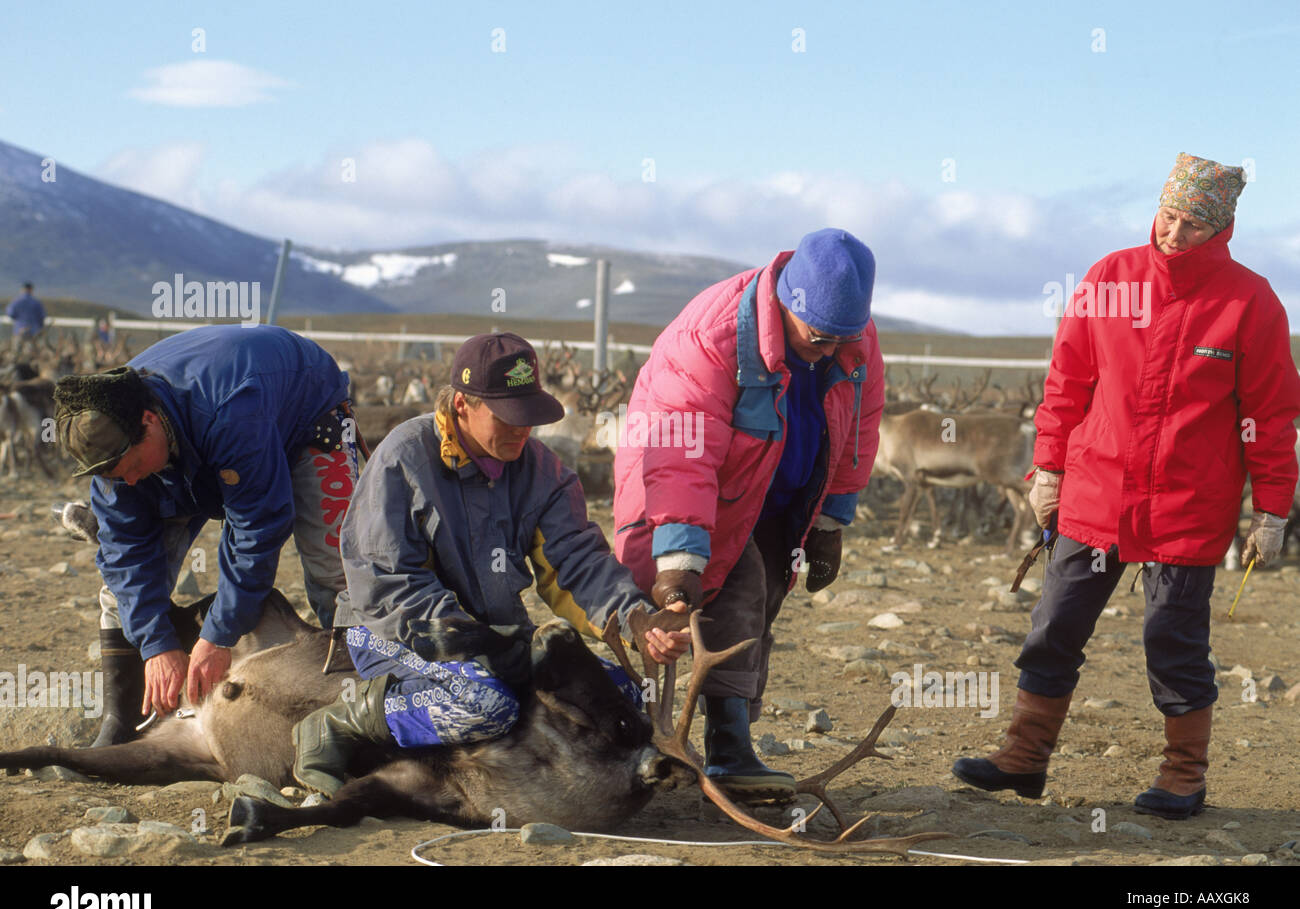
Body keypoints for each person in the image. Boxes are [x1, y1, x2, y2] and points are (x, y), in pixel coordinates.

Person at [952, 153, 1300, 819]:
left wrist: (1272, 508)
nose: (1174, 233)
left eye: (1194, 224)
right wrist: (1048, 469)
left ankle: (1183, 775)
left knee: (1173, 641)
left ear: (1222, 228)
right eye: (1169, 216)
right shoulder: (1111, 277)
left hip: (1188, 507)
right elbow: (1067, 381)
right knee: (1054, 626)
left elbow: (1269, 415)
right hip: (1095, 494)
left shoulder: (1250, 302)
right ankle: (1024, 757)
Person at [291, 332, 689, 796]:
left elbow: (577, 565)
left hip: (497, 640)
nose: (524, 429)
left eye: (530, 417)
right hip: (387, 632)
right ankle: (340, 723)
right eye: (509, 418)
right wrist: (479, 641)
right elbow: (386, 584)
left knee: (626, 691)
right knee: (485, 701)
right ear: (463, 405)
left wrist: (634, 619)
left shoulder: (543, 473)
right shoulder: (403, 458)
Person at [612, 228, 886, 801]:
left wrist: (831, 522)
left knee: (760, 604)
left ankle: (721, 744)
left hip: (776, 493)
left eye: (843, 339)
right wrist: (680, 553)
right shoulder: (712, 335)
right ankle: (710, 750)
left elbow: (858, 424)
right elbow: (682, 449)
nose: (831, 351)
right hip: (684, 486)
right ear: (789, 301)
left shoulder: (852, 339)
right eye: (818, 338)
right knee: (716, 593)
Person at [54, 325, 360, 746]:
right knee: (118, 589)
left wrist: (218, 636)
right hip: (193, 448)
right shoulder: (117, 460)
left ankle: (360, 708)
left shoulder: (233, 413)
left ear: (148, 421)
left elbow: (257, 525)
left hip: (308, 417)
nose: (125, 478)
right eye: (110, 474)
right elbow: (125, 554)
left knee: (339, 573)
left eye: (128, 463)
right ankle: (121, 723)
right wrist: (156, 645)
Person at [6, 282, 46, 357]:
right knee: (31, 354)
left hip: (19, 331)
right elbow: (42, 317)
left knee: (15, 353)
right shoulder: (37, 303)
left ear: (22, 290)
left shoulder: (16, 302)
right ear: (31, 290)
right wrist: (40, 328)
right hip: (33, 332)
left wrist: (18, 319)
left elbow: (10, 313)